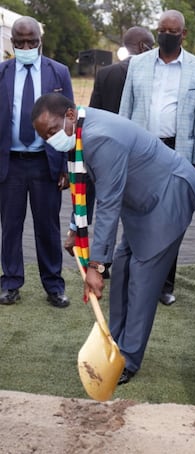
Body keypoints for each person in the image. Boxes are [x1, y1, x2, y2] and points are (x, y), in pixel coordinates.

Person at [31, 93, 195, 385]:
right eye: (43, 136)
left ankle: (128, 359)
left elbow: (108, 204)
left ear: (71, 115)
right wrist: (75, 229)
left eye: (51, 131)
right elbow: (83, 186)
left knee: (142, 278)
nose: (50, 140)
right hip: (142, 201)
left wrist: (97, 266)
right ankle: (112, 340)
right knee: (124, 267)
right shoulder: (81, 130)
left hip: (167, 196)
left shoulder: (100, 138)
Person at [119, 9, 195, 307]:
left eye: (172, 31)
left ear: (183, 34)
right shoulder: (138, 65)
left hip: (176, 153)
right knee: (136, 215)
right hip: (141, 150)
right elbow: (125, 109)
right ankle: (131, 278)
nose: (166, 35)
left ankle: (164, 284)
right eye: (162, 30)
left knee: (170, 221)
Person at [64, 27, 156, 272]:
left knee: (108, 206)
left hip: (103, 152)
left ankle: (103, 261)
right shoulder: (154, 73)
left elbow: (92, 112)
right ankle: (134, 266)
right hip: (142, 155)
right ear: (145, 46)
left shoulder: (105, 74)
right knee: (139, 214)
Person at [0, 16, 72, 308]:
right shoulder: (2, 72)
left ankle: (54, 285)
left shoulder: (59, 72)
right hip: (11, 163)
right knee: (11, 226)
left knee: (47, 226)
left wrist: (65, 164)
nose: (26, 46)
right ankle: (10, 283)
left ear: (40, 40)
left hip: (46, 162)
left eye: (31, 42)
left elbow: (69, 121)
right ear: (12, 43)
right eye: (20, 43)